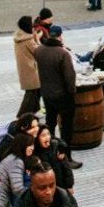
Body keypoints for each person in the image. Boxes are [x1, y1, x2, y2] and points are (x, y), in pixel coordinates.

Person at [34, 26, 81, 169]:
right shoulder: (62, 53)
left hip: (47, 94)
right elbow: (69, 76)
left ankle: (48, 154)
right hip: (63, 96)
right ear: (60, 36)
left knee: (50, 124)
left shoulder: (39, 50)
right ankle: (66, 157)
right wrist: (72, 92)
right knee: (66, 128)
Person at [11, 161, 80, 207]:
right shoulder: (21, 206)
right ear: (32, 187)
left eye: (51, 185)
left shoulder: (66, 198)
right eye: (42, 188)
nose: (48, 192)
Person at [13, 16, 42, 118]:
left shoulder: (19, 36)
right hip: (31, 69)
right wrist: (37, 39)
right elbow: (38, 52)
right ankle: (22, 115)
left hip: (24, 69)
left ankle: (34, 111)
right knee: (31, 92)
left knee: (36, 90)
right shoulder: (28, 39)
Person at [34, 125, 75, 195]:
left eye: (48, 134)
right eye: (43, 135)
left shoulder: (56, 147)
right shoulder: (36, 154)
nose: (47, 137)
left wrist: (69, 185)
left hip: (62, 186)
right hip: (47, 189)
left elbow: (66, 167)